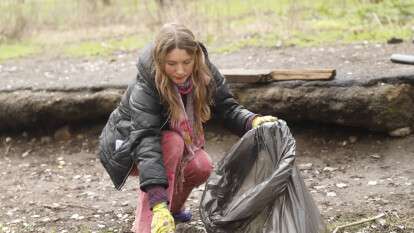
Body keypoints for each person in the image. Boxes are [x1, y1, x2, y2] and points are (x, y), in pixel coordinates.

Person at [98, 23, 277, 233]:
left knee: (201, 166)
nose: (180, 70)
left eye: (186, 62)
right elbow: (146, 142)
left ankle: (170, 212)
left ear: (196, 57)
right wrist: (157, 204)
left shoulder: (204, 72)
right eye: (171, 64)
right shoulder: (146, 87)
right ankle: (148, 225)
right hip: (127, 148)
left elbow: (227, 108)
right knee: (172, 142)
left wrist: (252, 121)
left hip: (167, 145)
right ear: (159, 60)